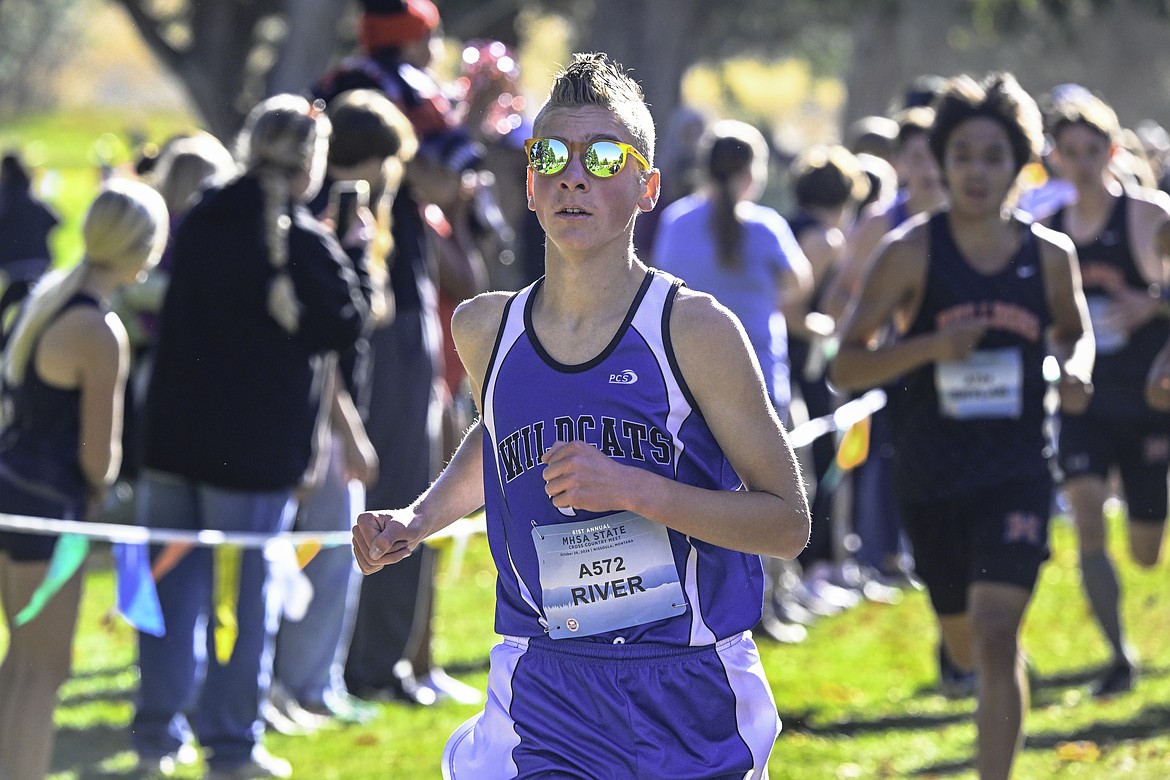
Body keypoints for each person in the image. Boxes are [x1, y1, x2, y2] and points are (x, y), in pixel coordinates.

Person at [352, 52, 811, 779]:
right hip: (544, 681)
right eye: (551, 156)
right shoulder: (484, 330)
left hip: (686, 685)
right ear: (529, 184)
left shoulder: (694, 330)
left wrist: (638, 492)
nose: (574, 175)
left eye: (603, 157)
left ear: (647, 186)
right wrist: (417, 519)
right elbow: (498, 434)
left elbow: (787, 524)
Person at [830, 72, 1094, 780]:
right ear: (942, 163)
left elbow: (1074, 333)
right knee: (969, 641)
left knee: (997, 631)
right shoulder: (912, 251)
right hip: (931, 470)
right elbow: (845, 368)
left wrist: (1075, 368)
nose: (978, 172)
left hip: (1016, 465)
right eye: (963, 156)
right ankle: (987, 669)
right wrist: (928, 349)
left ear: (1020, 164)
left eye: (993, 157)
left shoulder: (1048, 254)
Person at [132, 94, 371, 779]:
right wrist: (352, 251)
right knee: (243, 602)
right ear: (310, 165)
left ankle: (157, 739)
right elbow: (347, 322)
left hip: (175, 444)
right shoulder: (301, 239)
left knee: (169, 596)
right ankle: (230, 746)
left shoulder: (204, 217)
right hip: (250, 459)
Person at [314, 0, 487, 706]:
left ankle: (343, 662)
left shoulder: (331, 82)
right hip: (395, 303)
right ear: (417, 34)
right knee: (402, 487)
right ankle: (377, 665)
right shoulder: (410, 92)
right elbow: (453, 178)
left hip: (350, 300)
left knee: (350, 492)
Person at [0, 179, 168, 780]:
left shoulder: (45, 299)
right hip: (52, 510)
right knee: (45, 671)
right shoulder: (100, 332)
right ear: (142, 250)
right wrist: (103, 485)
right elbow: (100, 457)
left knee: (21, 665)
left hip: (15, 494)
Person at [271, 87, 417, 728]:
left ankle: (316, 682)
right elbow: (327, 342)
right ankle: (287, 684)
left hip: (337, 413)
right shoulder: (320, 222)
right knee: (316, 557)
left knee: (336, 562)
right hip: (322, 417)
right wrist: (350, 427)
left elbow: (373, 311)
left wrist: (370, 239)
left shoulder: (359, 219)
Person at [651, 120, 815, 643]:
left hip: (688, 389)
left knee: (703, 503)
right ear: (753, 173)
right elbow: (799, 287)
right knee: (773, 500)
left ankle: (706, 607)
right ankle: (769, 603)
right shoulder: (766, 227)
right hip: (763, 385)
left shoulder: (675, 221)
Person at [1041, 89, 1170, 697]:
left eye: (1094, 150)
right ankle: (1118, 655)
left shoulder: (1147, 217)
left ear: (1112, 151)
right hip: (1083, 401)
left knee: (1146, 550)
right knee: (1087, 518)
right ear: (1056, 159)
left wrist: (1152, 302)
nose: (1083, 162)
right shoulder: (1048, 233)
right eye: (1071, 152)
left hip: (1150, 400)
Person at [0, 152, 60, 325]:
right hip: (41, 263)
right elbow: (56, 220)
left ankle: (8, 345)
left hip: (15, 266)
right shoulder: (31, 194)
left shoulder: (5, 197)